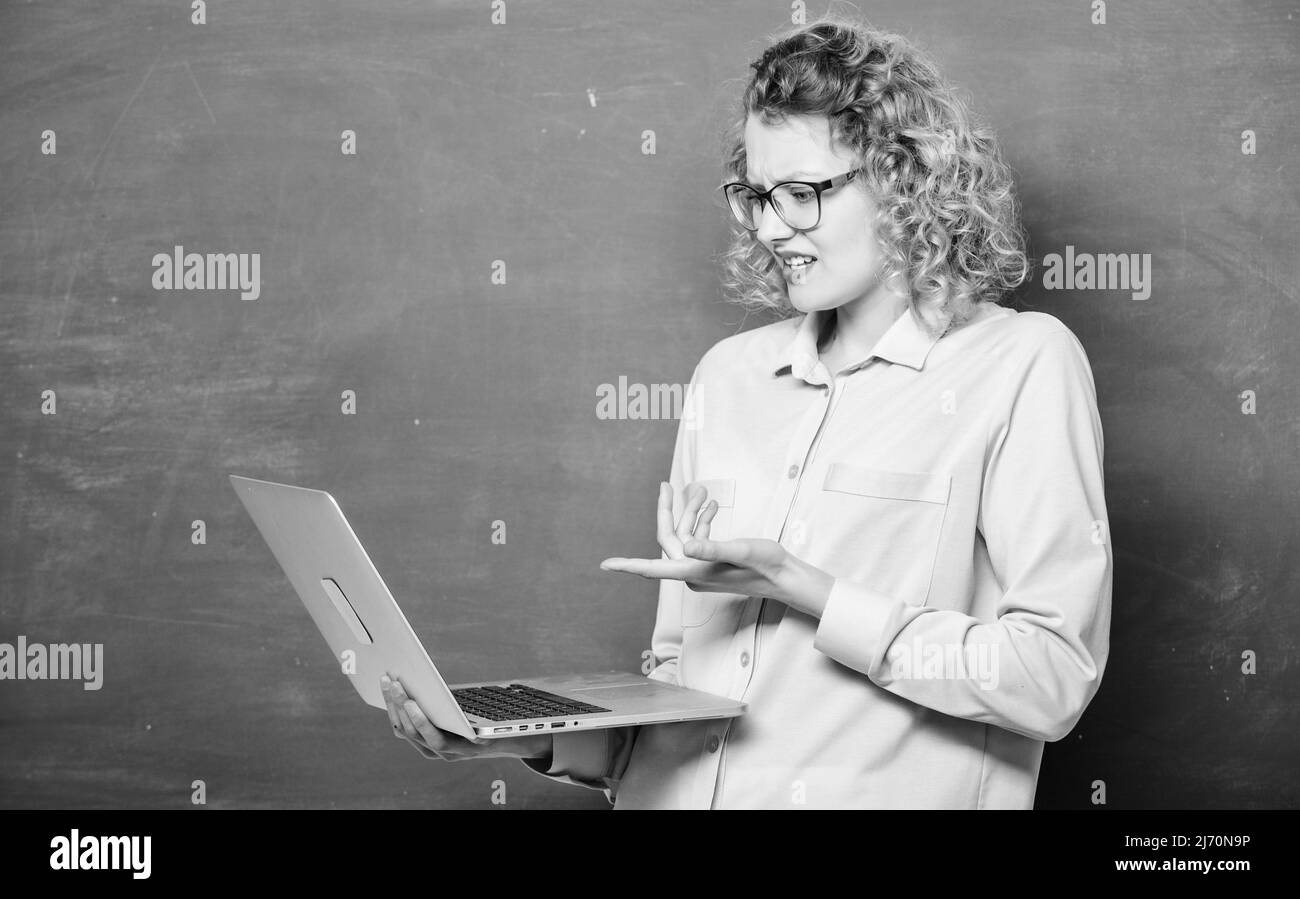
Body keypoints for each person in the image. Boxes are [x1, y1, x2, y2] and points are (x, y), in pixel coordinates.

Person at [382, 16, 1112, 809]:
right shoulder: (726, 379)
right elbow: (678, 697)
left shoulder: (1022, 364)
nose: (771, 227)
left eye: (801, 193)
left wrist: (810, 589)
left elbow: (1050, 677)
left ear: (901, 176)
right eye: (757, 195)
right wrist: (533, 734)